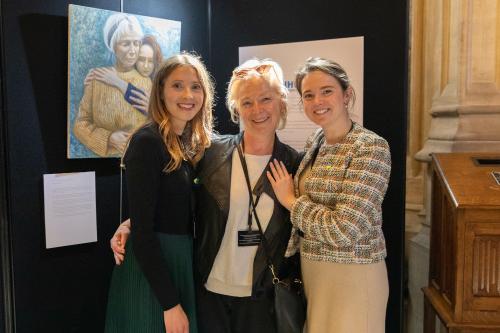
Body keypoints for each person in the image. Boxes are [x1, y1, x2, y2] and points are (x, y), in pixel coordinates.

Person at [111, 59, 301, 333]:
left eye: (266, 99)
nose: (257, 110)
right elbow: (170, 199)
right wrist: (132, 223)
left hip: (262, 299)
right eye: (247, 102)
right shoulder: (212, 153)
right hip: (208, 293)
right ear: (236, 108)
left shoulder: (294, 164)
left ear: (281, 102)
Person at [266, 57, 391, 333]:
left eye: (326, 91)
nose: (317, 101)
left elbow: (346, 229)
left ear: (346, 95)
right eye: (308, 95)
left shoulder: (370, 147)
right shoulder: (316, 141)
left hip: (354, 277)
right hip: (314, 273)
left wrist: (290, 201)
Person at [104, 52, 215, 333]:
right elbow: (144, 234)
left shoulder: (190, 144)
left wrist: (129, 223)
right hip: (153, 271)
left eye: (195, 86)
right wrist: (169, 304)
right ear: (161, 92)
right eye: (177, 85)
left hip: (178, 261)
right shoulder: (147, 142)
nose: (187, 94)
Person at [73, 13, 151, 157]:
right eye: (126, 44)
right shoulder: (96, 79)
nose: (133, 50)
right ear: (113, 46)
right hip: (104, 166)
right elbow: (80, 125)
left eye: (136, 43)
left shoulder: (146, 82)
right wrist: (109, 138)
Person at [85, 35, 163, 115]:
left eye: (150, 61)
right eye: (141, 59)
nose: (146, 66)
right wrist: (96, 74)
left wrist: (117, 81)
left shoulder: (160, 84)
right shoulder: (129, 75)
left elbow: (139, 98)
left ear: (156, 62)